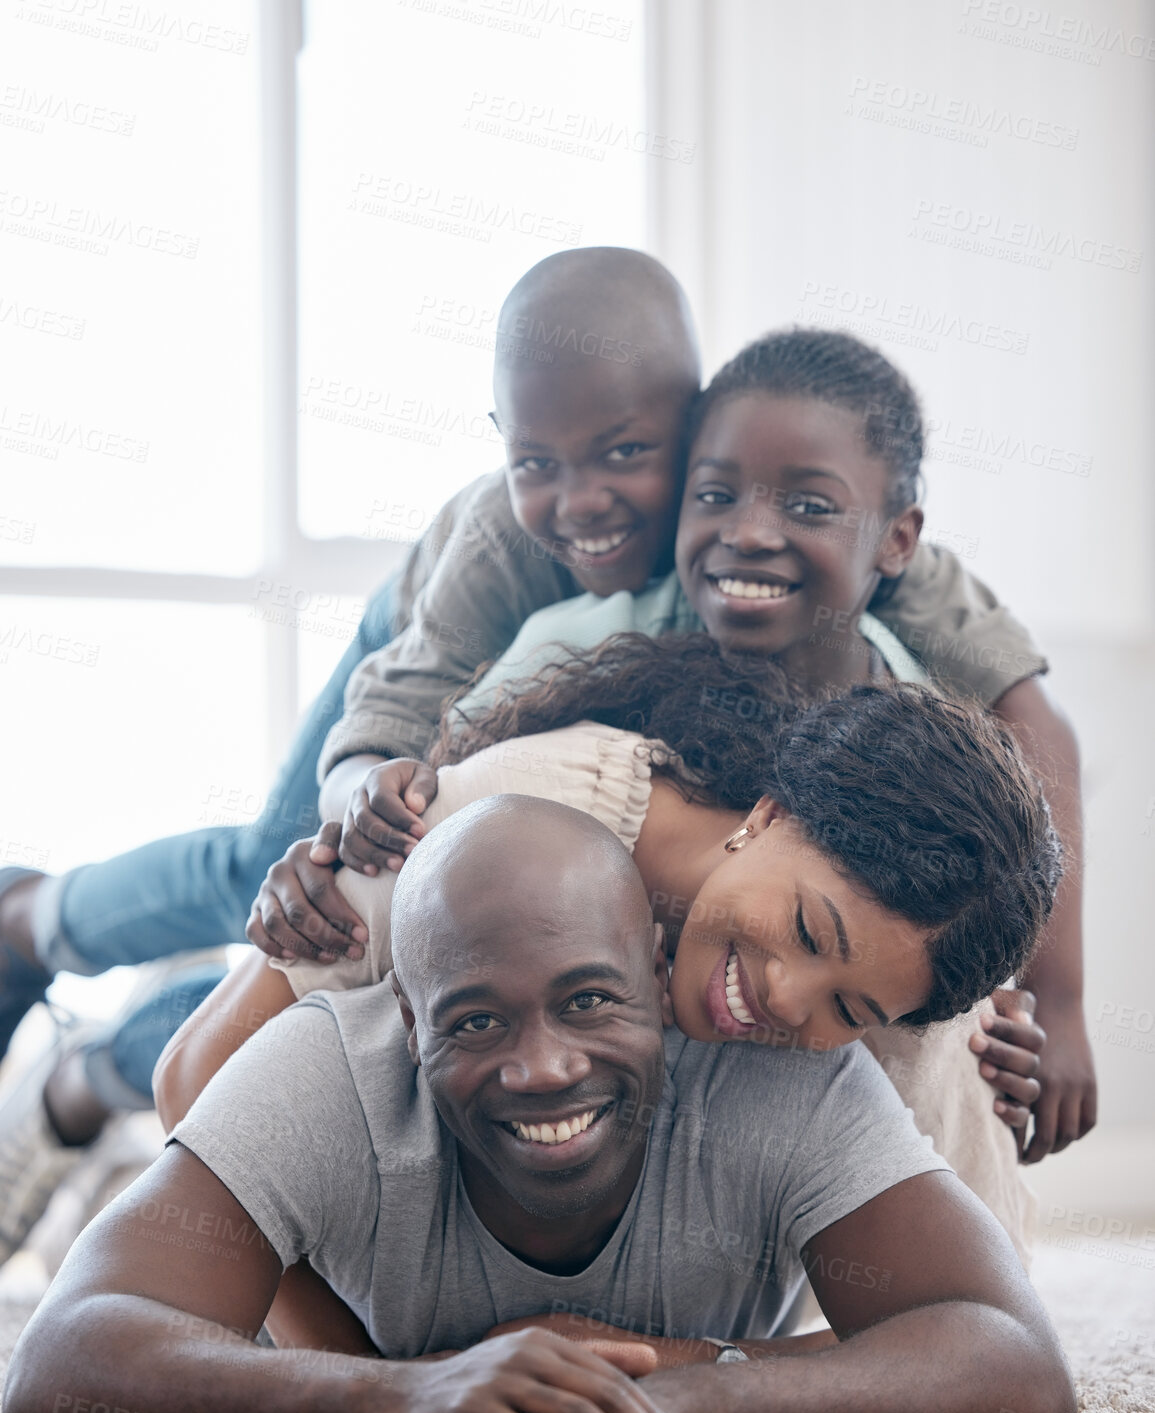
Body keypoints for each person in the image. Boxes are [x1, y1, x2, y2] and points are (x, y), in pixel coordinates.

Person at [0, 265, 1059, 1260]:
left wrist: (1032, 998)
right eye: (541, 463)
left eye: (628, 456)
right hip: (412, 690)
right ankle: (37, 924)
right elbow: (404, 705)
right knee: (283, 895)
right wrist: (356, 820)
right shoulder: (513, 543)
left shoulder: (859, 545)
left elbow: (1025, 726)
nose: (588, 500)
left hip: (675, 769)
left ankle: (91, 1069)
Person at [2, 797, 1075, 1413]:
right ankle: (73, 1036)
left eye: (591, 1002)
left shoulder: (779, 1081)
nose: (544, 1066)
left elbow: (1010, 1345)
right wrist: (402, 1394)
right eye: (476, 1020)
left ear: (659, 984)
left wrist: (710, 1387)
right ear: (410, 1019)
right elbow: (64, 1350)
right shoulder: (333, 1065)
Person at [155, 645, 1057, 1374]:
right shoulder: (495, 825)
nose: (786, 996)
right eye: (804, 930)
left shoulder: (912, 1000)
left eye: (848, 1005)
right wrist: (387, 1382)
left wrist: (683, 1362)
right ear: (769, 816)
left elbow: (984, 1327)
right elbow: (196, 1076)